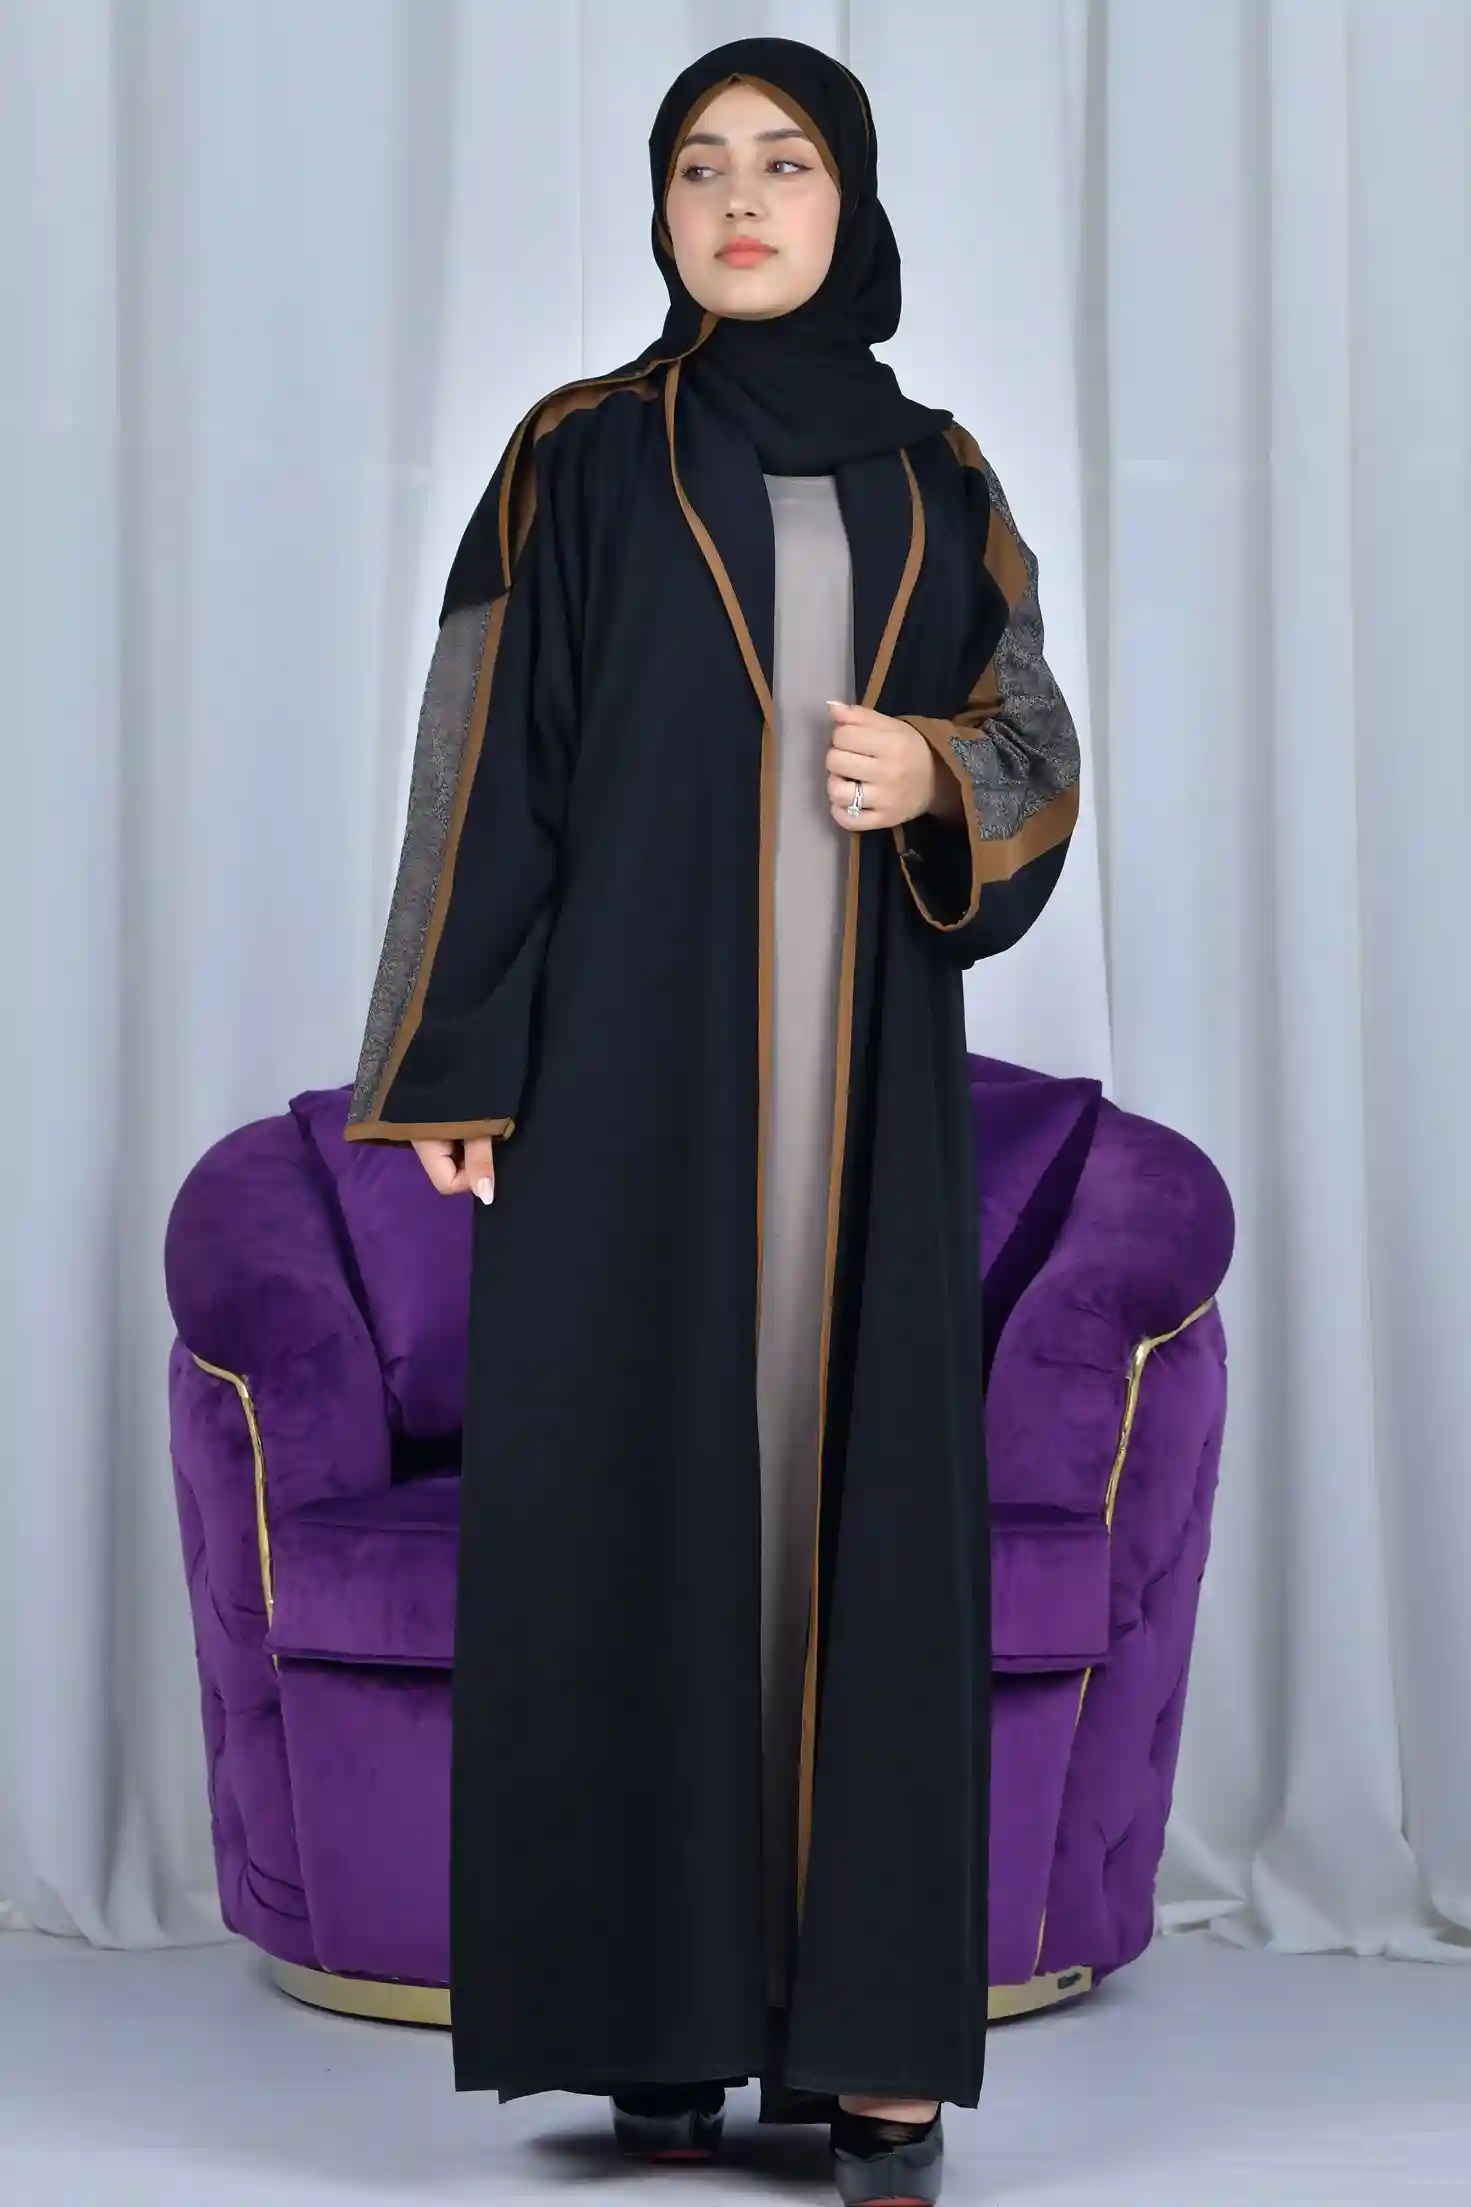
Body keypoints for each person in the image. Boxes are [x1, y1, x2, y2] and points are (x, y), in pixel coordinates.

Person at [344, 33, 1080, 2206]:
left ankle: (871, 2054)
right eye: (697, 166)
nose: (738, 200)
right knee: (626, 1500)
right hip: (624, 1089)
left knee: (857, 1519)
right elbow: (485, 751)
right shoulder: (582, 454)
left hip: (867, 1104)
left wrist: (935, 771)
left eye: (783, 162)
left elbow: (1033, 736)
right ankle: (652, 2017)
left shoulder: (941, 474)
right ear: (660, 210)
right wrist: (452, 1054)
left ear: (853, 197)